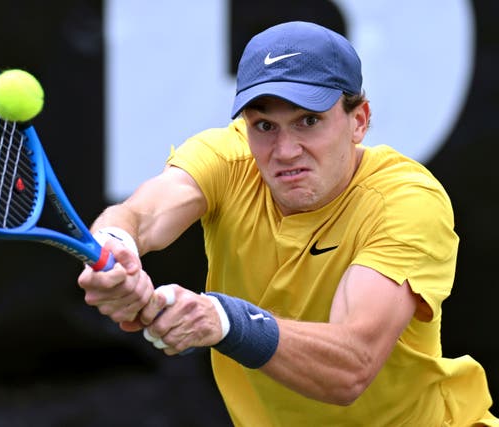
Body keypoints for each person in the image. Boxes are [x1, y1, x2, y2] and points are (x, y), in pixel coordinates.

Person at [77, 21, 498, 426]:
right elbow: (140, 215)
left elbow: (351, 366)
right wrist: (117, 247)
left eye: (309, 121)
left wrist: (223, 320)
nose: (285, 150)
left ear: (360, 121)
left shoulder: (405, 202)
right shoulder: (228, 158)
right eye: (264, 125)